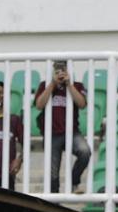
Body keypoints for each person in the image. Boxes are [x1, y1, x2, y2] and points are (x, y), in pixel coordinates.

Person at [34, 60, 91, 194]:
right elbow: (39, 105)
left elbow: (82, 104)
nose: (60, 73)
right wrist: (53, 84)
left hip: (72, 131)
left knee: (85, 152)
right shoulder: (45, 85)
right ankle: (55, 201)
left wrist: (69, 85)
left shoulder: (77, 85)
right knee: (53, 171)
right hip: (51, 133)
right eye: (57, 71)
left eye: (63, 70)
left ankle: (73, 181)